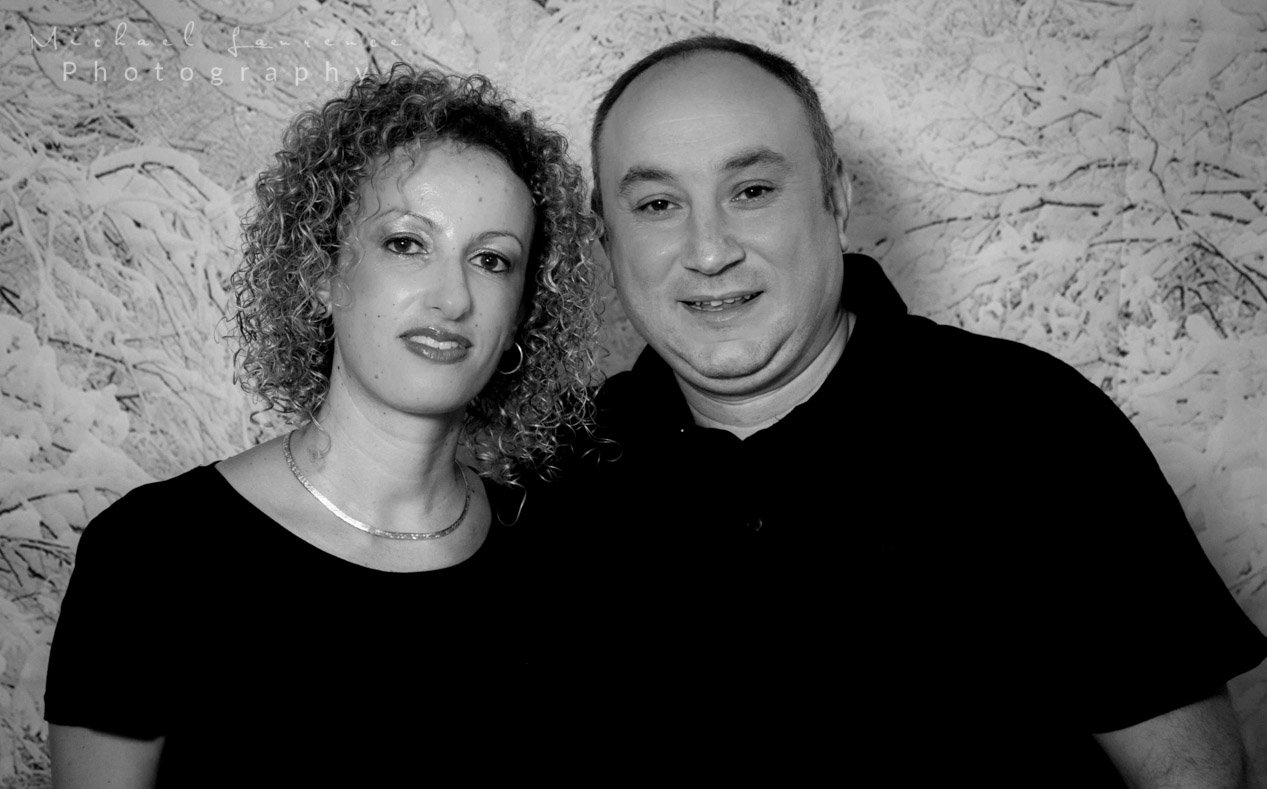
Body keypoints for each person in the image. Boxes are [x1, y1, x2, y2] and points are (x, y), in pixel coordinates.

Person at [532, 35, 1267, 786]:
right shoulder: (556, 477)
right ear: (606, 237)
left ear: (837, 200)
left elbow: (1193, 775)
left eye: (751, 191)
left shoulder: (1031, 424)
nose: (709, 250)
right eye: (657, 205)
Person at [44, 63, 599, 786]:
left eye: (492, 260)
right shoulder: (153, 555)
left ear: (522, 311)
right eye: (406, 243)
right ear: (321, 270)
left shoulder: (558, 562)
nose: (453, 298)